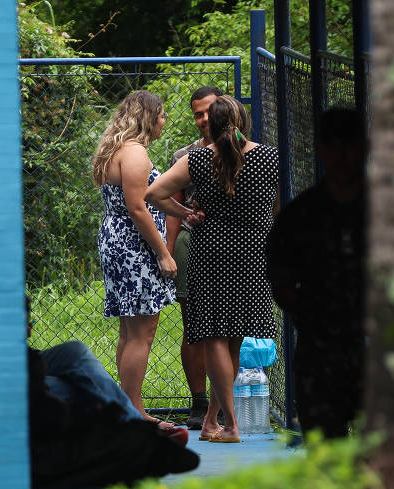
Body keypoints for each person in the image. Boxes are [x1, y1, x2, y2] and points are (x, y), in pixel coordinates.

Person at [146, 95, 279, 443]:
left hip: (213, 250)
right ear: (244, 121)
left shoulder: (200, 158)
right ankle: (214, 421)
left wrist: (185, 212)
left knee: (216, 336)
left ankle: (228, 424)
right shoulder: (269, 156)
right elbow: (278, 205)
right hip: (253, 250)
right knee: (233, 338)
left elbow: (154, 193)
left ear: (213, 125)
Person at [93, 90, 192, 431]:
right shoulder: (135, 153)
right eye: (162, 115)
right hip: (133, 246)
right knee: (142, 331)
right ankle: (134, 412)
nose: (165, 121)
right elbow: (137, 208)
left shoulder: (118, 150)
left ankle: (128, 406)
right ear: (148, 117)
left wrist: (183, 213)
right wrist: (164, 253)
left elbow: (150, 199)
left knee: (131, 329)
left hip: (119, 240)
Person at [265, 108, 366, 439]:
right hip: (321, 354)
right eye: (333, 145)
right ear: (320, 149)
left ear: (364, 146)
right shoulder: (300, 217)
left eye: (348, 145)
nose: (342, 156)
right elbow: (281, 282)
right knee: (327, 459)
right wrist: (314, 316)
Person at [165, 86, 223, 430]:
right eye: (198, 114)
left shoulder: (249, 152)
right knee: (195, 327)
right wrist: (168, 252)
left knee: (232, 326)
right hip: (193, 241)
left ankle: (227, 403)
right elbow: (172, 207)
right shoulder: (184, 156)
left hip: (235, 244)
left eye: (209, 111)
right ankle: (199, 402)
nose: (204, 119)